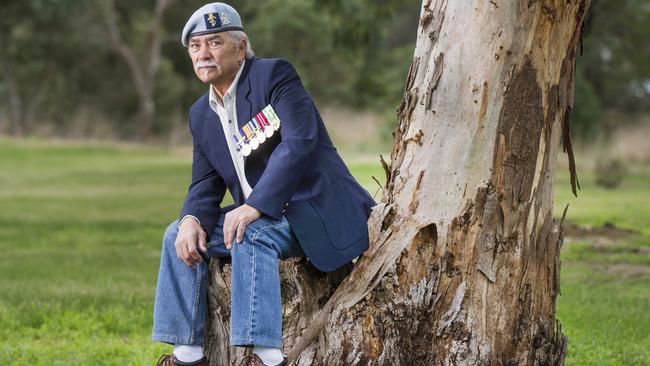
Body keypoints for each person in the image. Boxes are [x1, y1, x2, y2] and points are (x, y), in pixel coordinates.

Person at [152, 3, 376, 365]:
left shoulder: (274, 76)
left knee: (251, 232)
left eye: (215, 43)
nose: (204, 54)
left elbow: (299, 141)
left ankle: (268, 358)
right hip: (261, 217)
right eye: (195, 46)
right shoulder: (200, 113)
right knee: (176, 232)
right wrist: (192, 218)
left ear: (241, 48)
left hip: (313, 209)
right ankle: (188, 355)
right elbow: (206, 182)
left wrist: (257, 204)